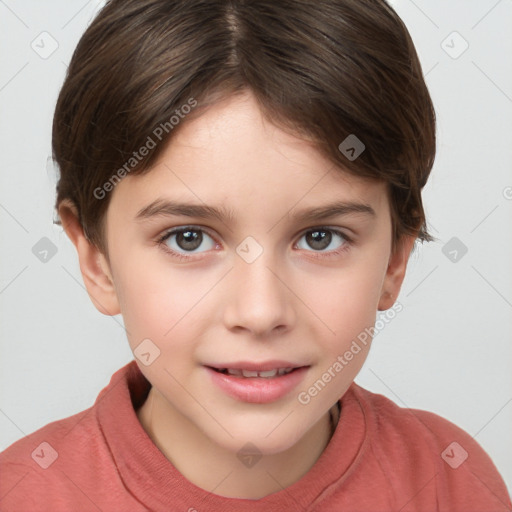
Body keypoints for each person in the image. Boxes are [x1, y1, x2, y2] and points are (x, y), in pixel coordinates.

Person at [1, 0, 510, 510]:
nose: (261, 312)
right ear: (96, 259)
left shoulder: (450, 482)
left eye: (320, 237)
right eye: (189, 239)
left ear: (395, 259)